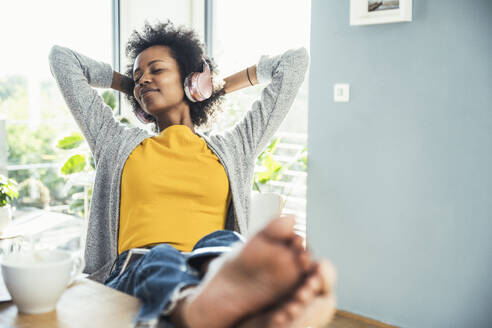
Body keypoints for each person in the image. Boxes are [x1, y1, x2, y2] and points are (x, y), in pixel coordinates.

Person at [48, 19, 336, 328]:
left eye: (156, 70)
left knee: (225, 241)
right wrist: (130, 87)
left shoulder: (234, 147)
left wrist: (213, 87)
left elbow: (293, 64)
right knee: (162, 256)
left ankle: (232, 308)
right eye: (137, 76)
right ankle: (203, 307)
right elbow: (62, 59)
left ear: (192, 80)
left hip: (208, 271)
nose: (143, 79)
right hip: (137, 268)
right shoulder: (114, 141)